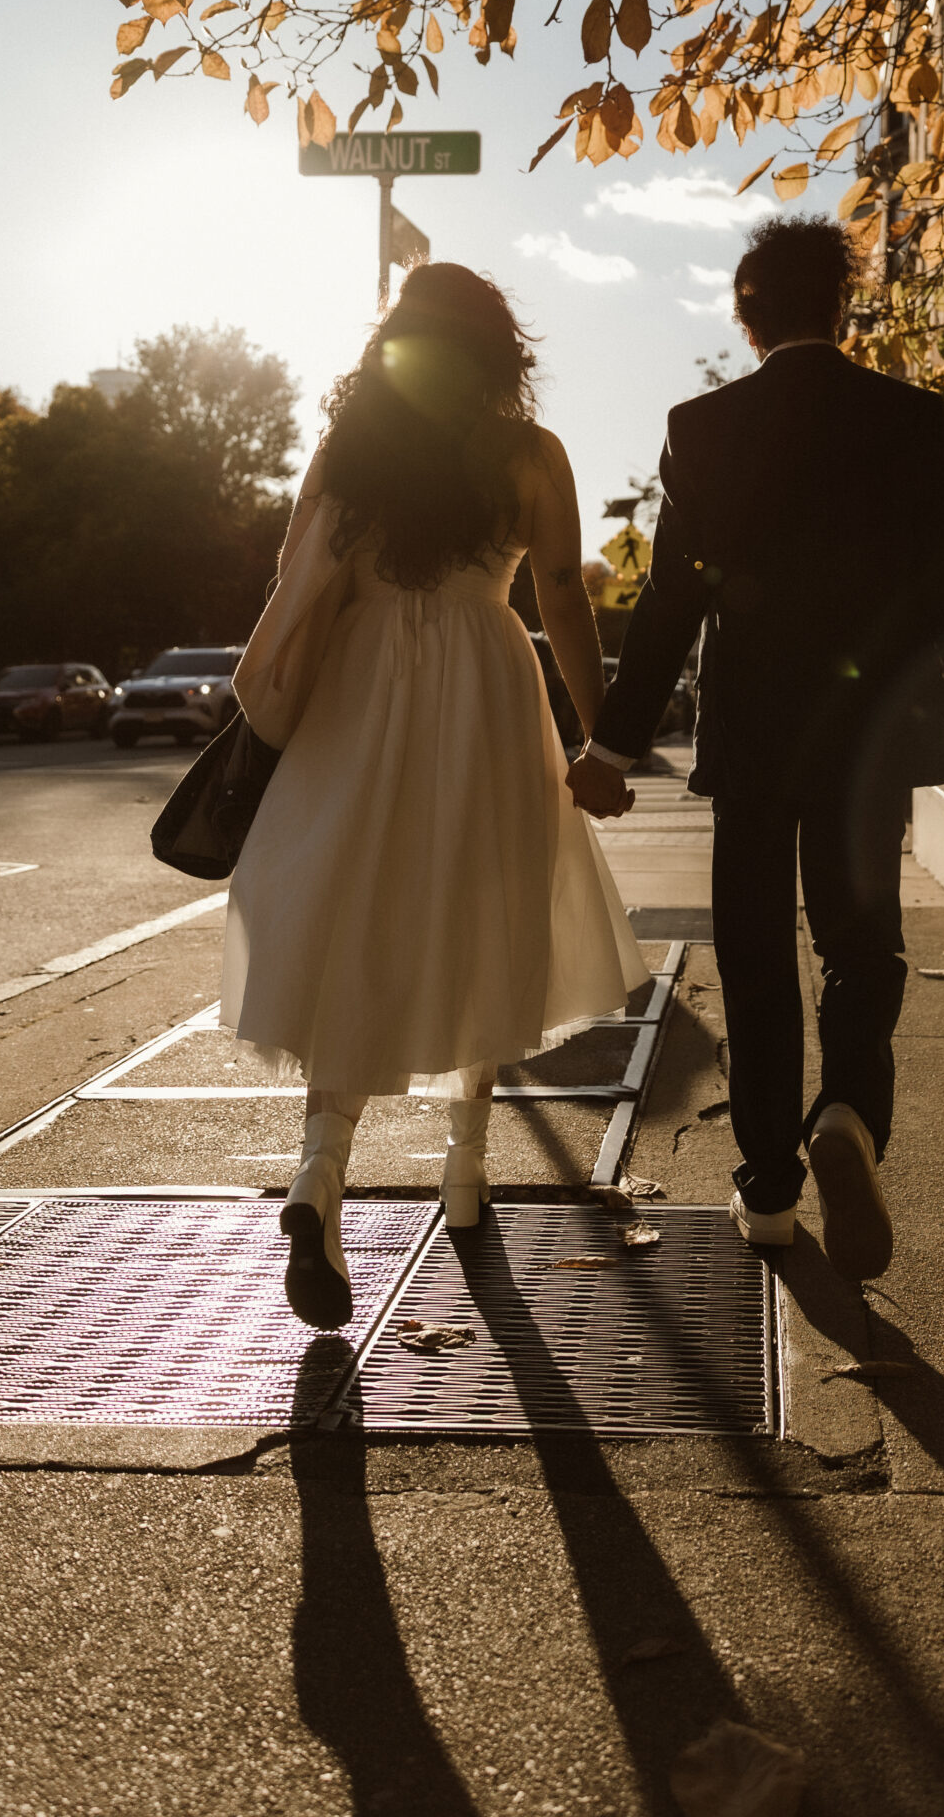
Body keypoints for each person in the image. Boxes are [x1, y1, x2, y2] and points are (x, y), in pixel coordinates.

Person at [567, 216, 944, 1282]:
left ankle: (769, 1185)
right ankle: (852, 1115)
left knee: (756, 949)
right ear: (841, 305)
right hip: (870, 736)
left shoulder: (704, 425)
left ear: (747, 313)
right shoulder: (909, 419)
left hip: (756, 733)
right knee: (862, 945)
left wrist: (613, 746)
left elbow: (673, 595)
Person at [221, 264, 647, 1329]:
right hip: (488, 682)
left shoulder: (350, 447)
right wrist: (604, 734)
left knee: (351, 909)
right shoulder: (530, 455)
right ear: (502, 349)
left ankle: (322, 1170)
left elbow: (294, 575)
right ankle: (466, 1166)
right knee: (483, 904)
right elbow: (559, 597)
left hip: (360, 689)